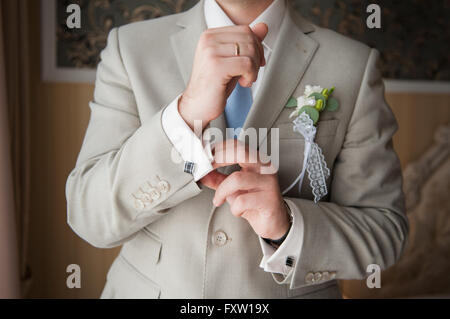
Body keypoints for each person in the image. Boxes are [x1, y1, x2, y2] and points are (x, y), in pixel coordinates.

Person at [66, 0, 408, 298]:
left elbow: (384, 233)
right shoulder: (130, 49)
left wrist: (287, 226)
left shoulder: (353, 65)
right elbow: (89, 217)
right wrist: (184, 117)